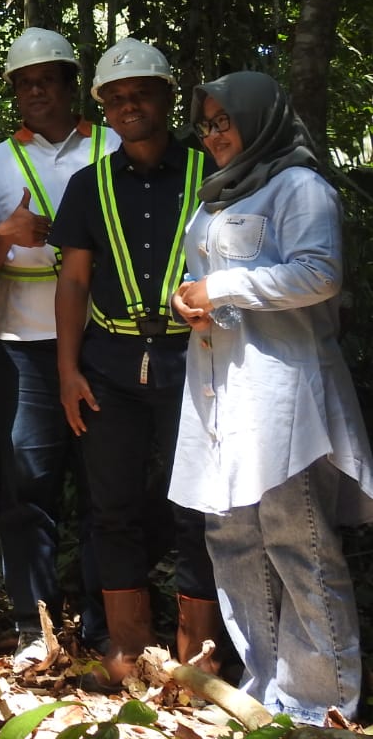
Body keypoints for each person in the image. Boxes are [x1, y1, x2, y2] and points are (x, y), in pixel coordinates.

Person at [170, 72, 373, 722]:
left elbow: (318, 274)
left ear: (258, 120)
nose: (213, 135)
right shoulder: (213, 199)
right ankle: (268, 695)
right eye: (205, 125)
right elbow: (206, 283)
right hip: (219, 393)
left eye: (224, 120)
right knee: (232, 541)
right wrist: (187, 301)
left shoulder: (299, 186)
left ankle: (321, 709)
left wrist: (221, 289)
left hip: (283, 395)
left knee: (297, 541)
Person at [51, 37, 221, 687]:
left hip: (195, 357)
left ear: (167, 97)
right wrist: (68, 371)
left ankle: (198, 659)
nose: (129, 105)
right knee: (112, 506)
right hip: (110, 362)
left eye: (141, 93)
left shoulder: (211, 172)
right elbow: (72, 281)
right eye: (115, 97)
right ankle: (126, 653)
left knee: (198, 505)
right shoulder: (88, 184)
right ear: (102, 106)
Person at [0, 29, 116, 668]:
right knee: (28, 488)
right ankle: (36, 624)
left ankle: (109, 622)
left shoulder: (111, 146)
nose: (35, 91)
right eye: (24, 83)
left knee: (107, 486)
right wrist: (3, 238)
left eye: (47, 80)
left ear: (70, 84)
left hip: (104, 339)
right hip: (23, 346)